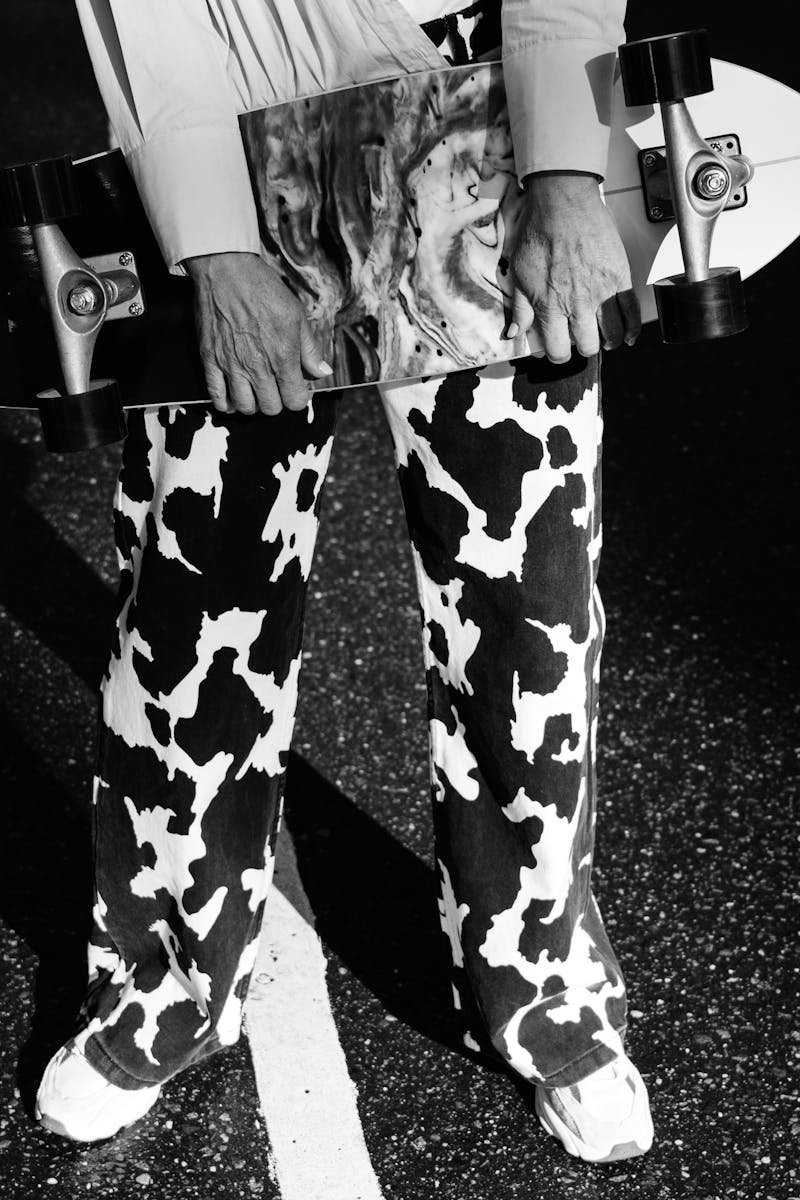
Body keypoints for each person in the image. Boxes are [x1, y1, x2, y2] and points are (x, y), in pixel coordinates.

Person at [34, 0, 654, 1165]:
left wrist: (568, 169)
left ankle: (547, 1002)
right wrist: (210, 244)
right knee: (193, 625)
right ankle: (167, 984)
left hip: (479, 115)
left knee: (531, 618)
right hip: (234, 135)